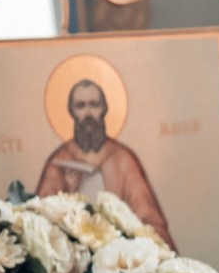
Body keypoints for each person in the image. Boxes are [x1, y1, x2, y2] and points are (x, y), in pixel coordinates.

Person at [32, 78, 173, 242]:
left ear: (104, 109)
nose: (88, 113)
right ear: (71, 111)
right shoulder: (58, 161)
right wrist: (67, 194)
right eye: (81, 106)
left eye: (94, 104)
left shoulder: (123, 159)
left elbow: (150, 221)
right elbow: (40, 224)